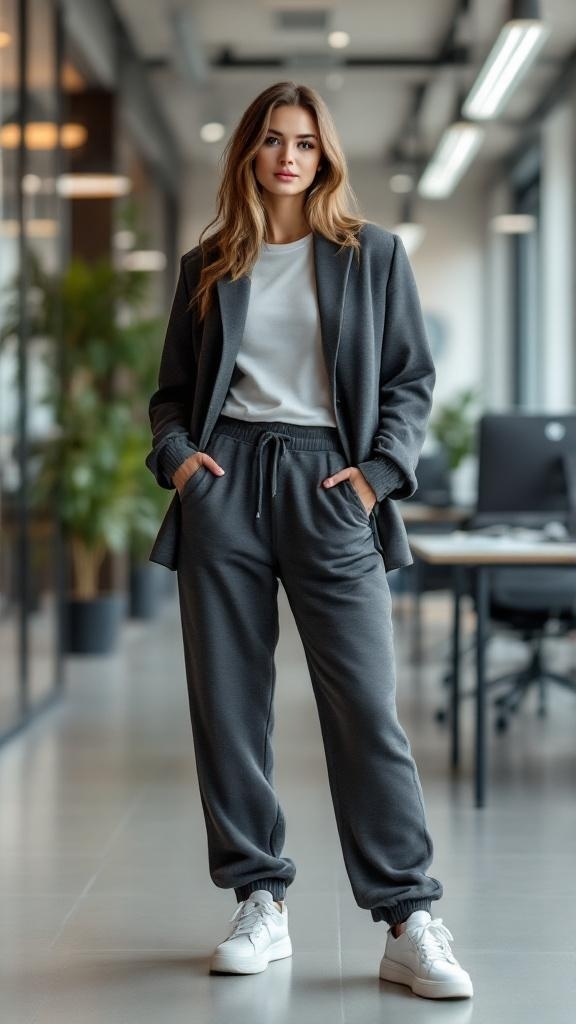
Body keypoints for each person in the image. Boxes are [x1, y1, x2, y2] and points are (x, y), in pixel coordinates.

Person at [145, 81, 473, 1000]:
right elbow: (172, 391)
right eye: (272, 140)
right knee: (230, 707)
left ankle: (408, 916)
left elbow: (409, 379)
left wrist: (377, 474)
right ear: (248, 152)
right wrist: (178, 459)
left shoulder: (372, 256)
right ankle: (259, 896)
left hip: (333, 485)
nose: (290, 156)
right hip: (225, 482)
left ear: (325, 155)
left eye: (306, 142)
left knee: (366, 706)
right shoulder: (210, 262)